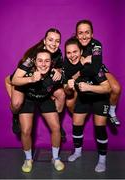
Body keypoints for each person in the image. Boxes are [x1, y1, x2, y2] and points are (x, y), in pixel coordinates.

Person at [5, 28, 66, 140]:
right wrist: (31, 79)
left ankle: (57, 123)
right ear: (44, 41)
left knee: (61, 94)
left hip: (41, 84)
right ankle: (15, 116)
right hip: (24, 79)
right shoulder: (32, 56)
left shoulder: (58, 53)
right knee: (17, 103)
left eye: (57, 41)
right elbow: (14, 79)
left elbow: (60, 67)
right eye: (51, 40)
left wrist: (58, 71)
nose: (54, 44)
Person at [11, 49, 65, 173]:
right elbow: (12, 80)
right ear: (34, 62)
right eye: (40, 61)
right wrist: (31, 79)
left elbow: (67, 87)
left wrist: (69, 85)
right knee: (25, 130)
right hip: (28, 100)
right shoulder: (27, 71)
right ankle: (28, 159)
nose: (43, 64)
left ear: (51, 63)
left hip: (45, 99)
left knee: (56, 128)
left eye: (47, 61)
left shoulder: (54, 74)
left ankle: (56, 158)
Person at [64, 37, 111, 173]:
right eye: (68, 53)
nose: (72, 55)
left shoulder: (93, 65)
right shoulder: (67, 67)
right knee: (76, 124)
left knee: (100, 127)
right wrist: (69, 87)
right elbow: (67, 90)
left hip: (100, 98)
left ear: (81, 51)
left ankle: (102, 159)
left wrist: (89, 88)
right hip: (83, 99)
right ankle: (78, 152)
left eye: (75, 52)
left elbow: (107, 88)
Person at [75, 19, 121, 125]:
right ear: (77, 35)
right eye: (80, 33)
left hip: (97, 68)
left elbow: (96, 66)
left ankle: (111, 111)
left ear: (92, 34)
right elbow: (70, 64)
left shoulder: (96, 44)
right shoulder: (74, 44)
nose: (84, 36)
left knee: (116, 88)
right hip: (80, 70)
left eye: (87, 32)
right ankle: (78, 116)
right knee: (70, 101)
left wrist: (85, 62)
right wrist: (86, 61)